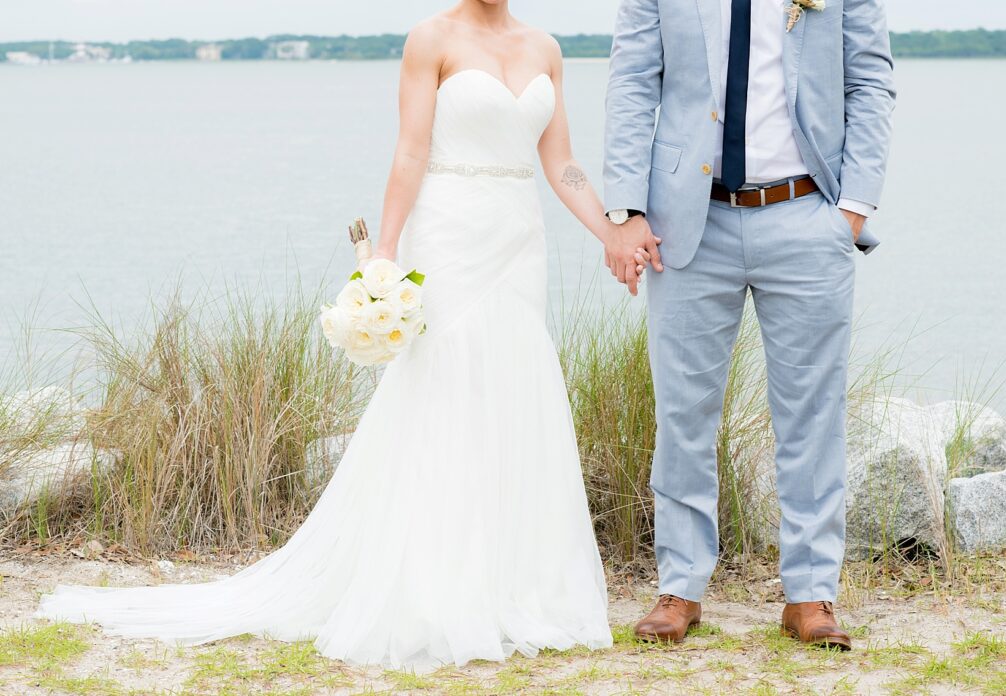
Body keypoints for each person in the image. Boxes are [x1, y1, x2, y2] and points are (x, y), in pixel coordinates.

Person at [35, 0, 659, 671]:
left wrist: (612, 231)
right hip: (450, 233)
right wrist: (384, 258)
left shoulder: (546, 48)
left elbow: (560, 161)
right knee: (444, 391)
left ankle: (513, 582)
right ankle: (434, 585)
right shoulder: (432, 38)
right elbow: (412, 149)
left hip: (519, 239)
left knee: (512, 389)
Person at [604, 0, 895, 650]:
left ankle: (811, 594)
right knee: (683, 412)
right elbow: (631, 81)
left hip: (805, 212)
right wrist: (625, 209)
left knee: (812, 414)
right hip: (685, 222)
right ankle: (680, 586)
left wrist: (852, 207)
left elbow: (871, 79)